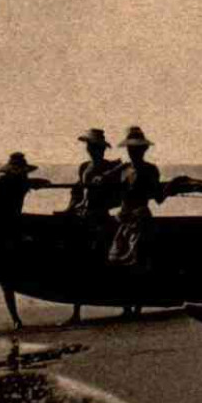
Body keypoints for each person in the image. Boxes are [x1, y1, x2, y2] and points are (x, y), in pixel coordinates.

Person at [62, 127, 122, 325]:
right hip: (83, 217)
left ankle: (127, 305)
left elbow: (118, 194)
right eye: (89, 146)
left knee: (108, 262)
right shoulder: (84, 166)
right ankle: (76, 312)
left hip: (100, 218)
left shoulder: (110, 168)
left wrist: (106, 179)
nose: (91, 149)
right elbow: (77, 193)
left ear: (102, 149)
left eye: (94, 146)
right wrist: (68, 210)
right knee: (78, 265)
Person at [105, 127, 166, 318]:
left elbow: (158, 197)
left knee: (136, 263)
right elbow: (107, 188)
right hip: (123, 218)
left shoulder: (150, 169)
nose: (134, 152)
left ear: (144, 150)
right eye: (131, 149)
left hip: (140, 218)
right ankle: (126, 305)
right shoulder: (122, 169)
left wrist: (170, 187)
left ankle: (137, 306)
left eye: (137, 149)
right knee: (119, 261)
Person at [0, 152, 49, 329]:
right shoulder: (3, 182)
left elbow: (35, 183)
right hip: (3, 228)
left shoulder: (21, 182)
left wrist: (36, 183)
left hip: (14, 227)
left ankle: (16, 318)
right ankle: (15, 318)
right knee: (6, 278)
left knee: (8, 277)